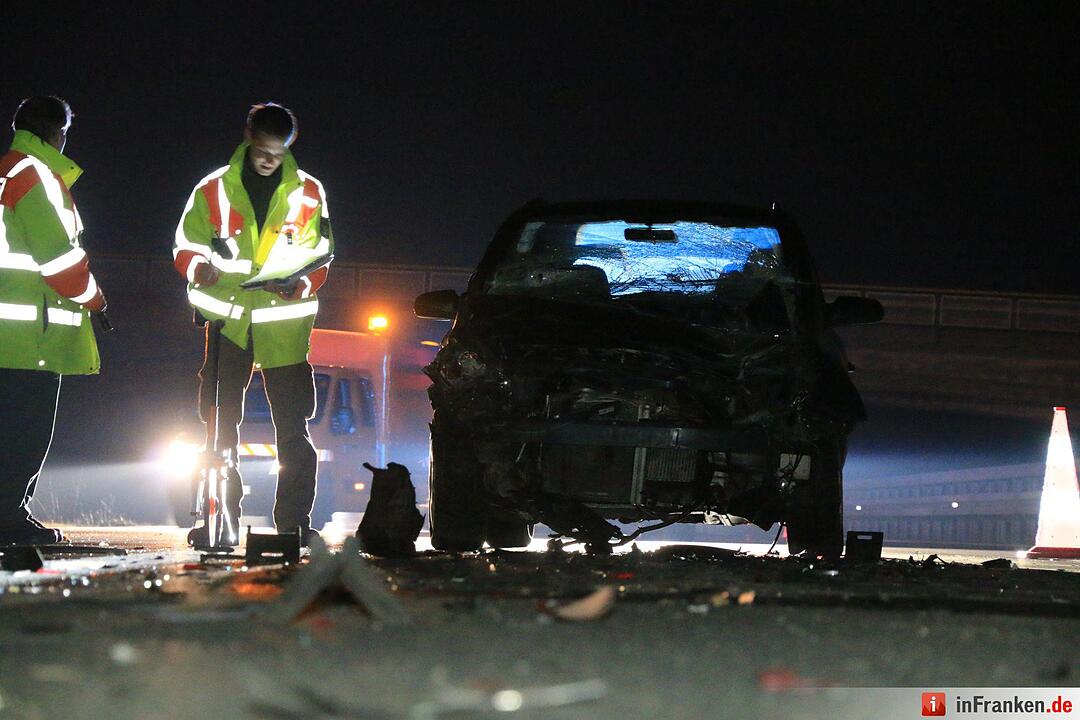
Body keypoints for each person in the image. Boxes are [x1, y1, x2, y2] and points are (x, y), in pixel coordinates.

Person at [173, 102, 333, 547]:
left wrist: (299, 284)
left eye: (278, 153)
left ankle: (293, 525)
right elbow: (185, 244)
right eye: (263, 151)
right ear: (248, 137)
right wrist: (199, 268)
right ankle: (220, 522)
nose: (269, 160)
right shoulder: (212, 189)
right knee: (219, 426)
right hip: (228, 322)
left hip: (283, 328)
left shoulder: (309, 192)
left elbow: (322, 255)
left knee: (293, 429)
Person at [0, 96, 107, 545]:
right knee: (26, 429)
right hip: (30, 335)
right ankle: (9, 517)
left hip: (10, 330)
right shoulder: (35, 175)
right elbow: (59, 259)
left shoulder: (7, 170)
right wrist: (95, 297)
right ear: (57, 132)